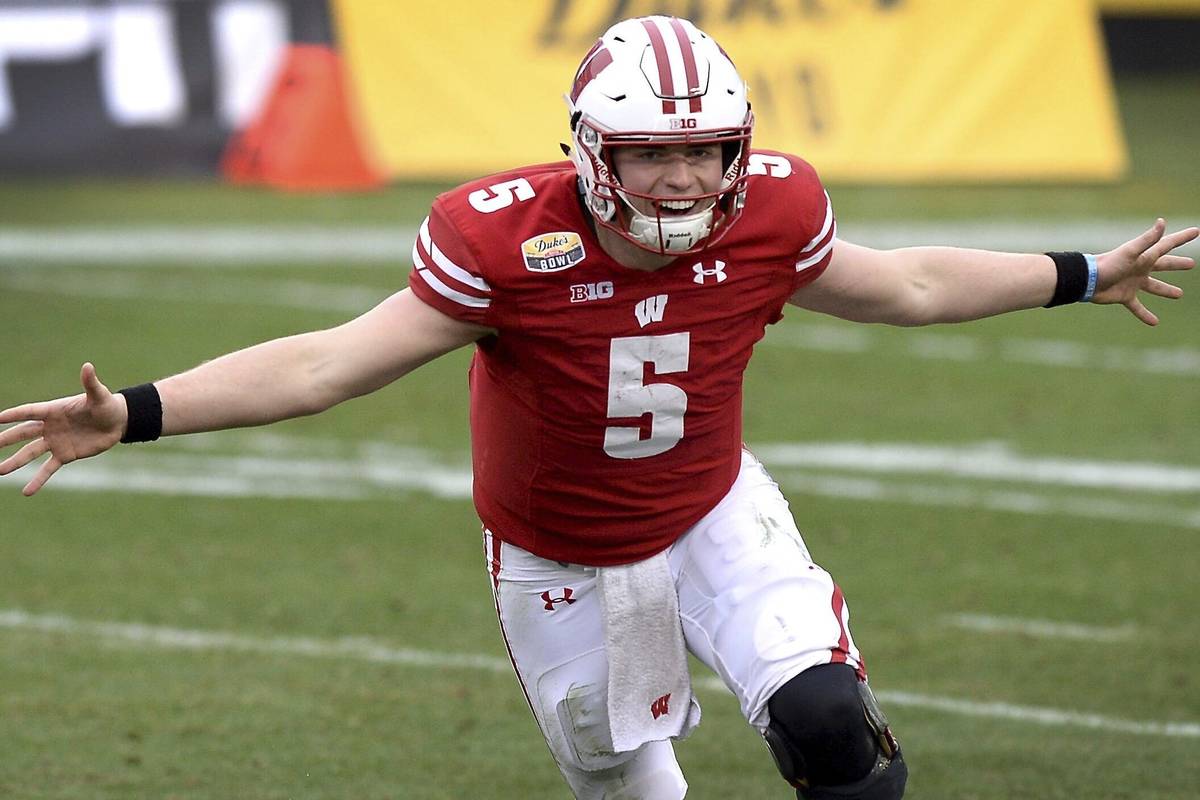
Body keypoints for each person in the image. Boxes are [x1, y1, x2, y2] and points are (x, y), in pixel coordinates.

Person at [1, 15, 1195, 800]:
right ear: (588, 152)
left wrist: (1081, 271)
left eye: (708, 152)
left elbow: (911, 284)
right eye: (648, 155)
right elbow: (331, 365)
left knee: (832, 724)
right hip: (558, 551)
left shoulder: (774, 211)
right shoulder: (503, 240)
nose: (684, 179)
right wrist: (141, 411)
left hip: (711, 505)